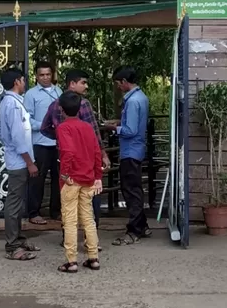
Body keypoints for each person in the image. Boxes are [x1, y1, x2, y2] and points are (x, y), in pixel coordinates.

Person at [41, 69, 110, 228]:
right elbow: (94, 132)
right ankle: (91, 236)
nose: (86, 86)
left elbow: (45, 128)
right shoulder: (83, 104)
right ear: (72, 84)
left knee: (67, 196)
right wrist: (103, 154)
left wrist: (60, 138)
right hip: (86, 158)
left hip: (64, 158)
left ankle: (68, 236)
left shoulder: (54, 105)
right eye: (83, 82)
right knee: (91, 194)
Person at [56, 91, 103, 273]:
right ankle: (93, 258)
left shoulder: (63, 128)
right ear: (79, 109)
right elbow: (96, 152)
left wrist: (64, 175)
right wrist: (97, 176)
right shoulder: (87, 128)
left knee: (70, 221)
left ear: (61, 109)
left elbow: (67, 152)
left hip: (71, 180)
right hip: (88, 178)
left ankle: (71, 261)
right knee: (88, 219)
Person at [0, 68, 39, 261]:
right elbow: (18, 137)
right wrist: (30, 163)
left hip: (17, 158)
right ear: (17, 81)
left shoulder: (10, 102)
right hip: (19, 161)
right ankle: (12, 245)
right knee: (14, 203)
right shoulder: (13, 105)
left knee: (18, 200)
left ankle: (19, 238)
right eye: (23, 80)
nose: (24, 83)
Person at [104, 67, 149, 246]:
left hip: (130, 150)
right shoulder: (141, 97)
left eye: (118, 83)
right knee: (135, 189)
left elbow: (130, 130)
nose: (118, 87)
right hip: (137, 150)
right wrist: (119, 122)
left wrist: (113, 128)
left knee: (131, 191)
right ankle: (143, 225)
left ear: (124, 81)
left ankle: (134, 231)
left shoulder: (131, 102)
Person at [23, 61, 62, 225]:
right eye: (41, 75)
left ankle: (56, 212)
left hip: (58, 143)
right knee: (37, 179)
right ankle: (33, 213)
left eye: (48, 74)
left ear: (52, 74)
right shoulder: (31, 94)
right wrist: (45, 125)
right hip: (40, 143)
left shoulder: (59, 91)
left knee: (58, 179)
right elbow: (26, 120)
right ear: (36, 76)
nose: (45, 77)